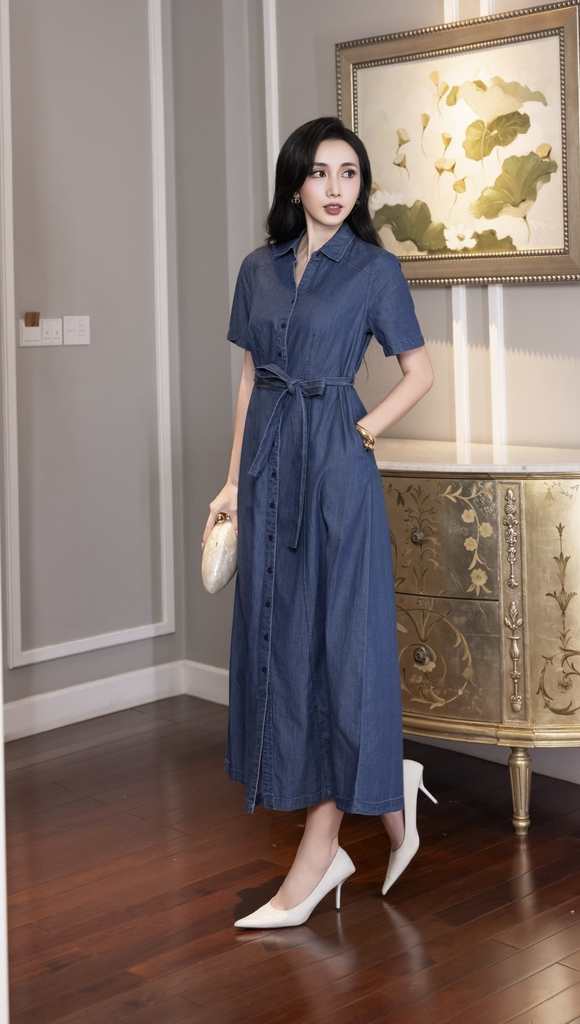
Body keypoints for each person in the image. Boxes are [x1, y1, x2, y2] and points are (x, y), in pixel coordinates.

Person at [203, 116, 435, 929]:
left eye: (350, 174)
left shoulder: (374, 269)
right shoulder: (258, 269)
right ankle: (389, 792)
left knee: (340, 645)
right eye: (320, 173)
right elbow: (250, 381)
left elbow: (418, 372)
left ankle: (320, 851)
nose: (336, 189)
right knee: (283, 640)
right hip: (268, 467)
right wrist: (231, 482)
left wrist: (360, 431)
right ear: (295, 182)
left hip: (336, 472)